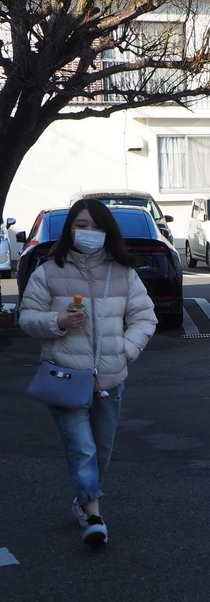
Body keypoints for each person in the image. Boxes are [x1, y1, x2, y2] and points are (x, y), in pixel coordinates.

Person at [19, 199, 157, 547]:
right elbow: (26, 317)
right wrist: (58, 322)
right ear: (69, 230)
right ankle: (94, 515)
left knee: (101, 450)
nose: (89, 233)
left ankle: (84, 497)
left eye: (96, 226)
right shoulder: (49, 271)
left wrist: (123, 351)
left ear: (107, 232)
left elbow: (145, 318)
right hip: (65, 380)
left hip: (110, 380)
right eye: (81, 225)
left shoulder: (123, 272)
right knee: (82, 450)